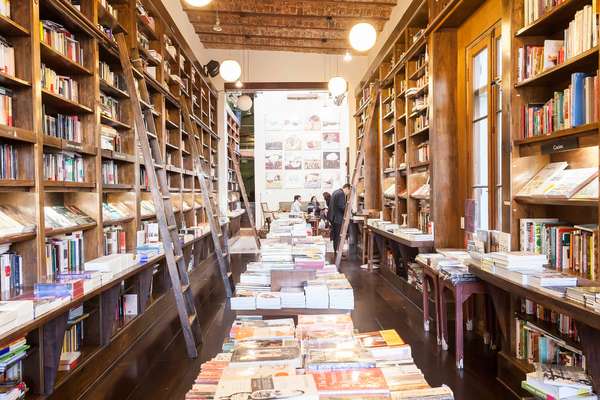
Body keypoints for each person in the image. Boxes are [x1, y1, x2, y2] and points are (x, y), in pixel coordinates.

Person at [328, 184, 351, 257]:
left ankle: (336, 251)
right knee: (338, 236)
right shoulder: (341, 194)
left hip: (333, 217)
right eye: (349, 191)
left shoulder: (336, 192)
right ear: (347, 188)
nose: (348, 193)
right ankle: (338, 252)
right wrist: (349, 211)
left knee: (336, 236)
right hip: (337, 218)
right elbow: (341, 206)